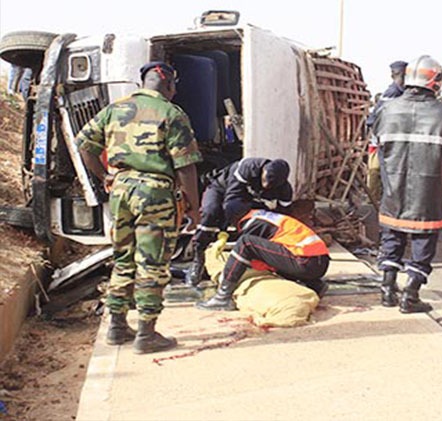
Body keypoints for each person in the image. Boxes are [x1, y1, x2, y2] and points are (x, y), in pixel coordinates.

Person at [76, 61, 202, 353]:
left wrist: (104, 175)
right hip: (155, 194)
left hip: (121, 191)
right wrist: (193, 207)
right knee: (152, 263)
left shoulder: (115, 109)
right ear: (169, 85)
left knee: (123, 259)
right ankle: (146, 334)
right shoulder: (172, 113)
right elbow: (185, 166)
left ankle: (117, 326)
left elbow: (85, 145)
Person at [372, 55, 442, 313]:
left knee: (391, 238)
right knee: (422, 243)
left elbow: (376, 139)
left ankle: (387, 289)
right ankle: (410, 295)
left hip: (392, 188)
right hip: (428, 191)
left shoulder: (386, 108)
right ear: (435, 81)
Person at [186, 157, 294, 287]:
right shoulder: (247, 167)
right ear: (263, 170)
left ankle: (250, 261)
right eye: (264, 180)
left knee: (259, 223)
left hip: (247, 202)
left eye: (270, 185)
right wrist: (223, 232)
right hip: (223, 190)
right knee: (211, 212)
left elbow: (283, 218)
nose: (265, 185)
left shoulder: (284, 191)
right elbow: (231, 203)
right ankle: (198, 260)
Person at [196, 209, 330, 310]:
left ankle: (222, 297)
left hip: (305, 261)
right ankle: (314, 284)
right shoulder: (263, 217)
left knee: (245, 243)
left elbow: (247, 254)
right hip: (318, 262)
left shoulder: (252, 223)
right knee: (272, 255)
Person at [365, 60, 407, 206]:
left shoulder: (403, 91)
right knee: (381, 171)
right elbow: (376, 118)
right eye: (399, 75)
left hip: (390, 140)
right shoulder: (393, 93)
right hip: (386, 141)